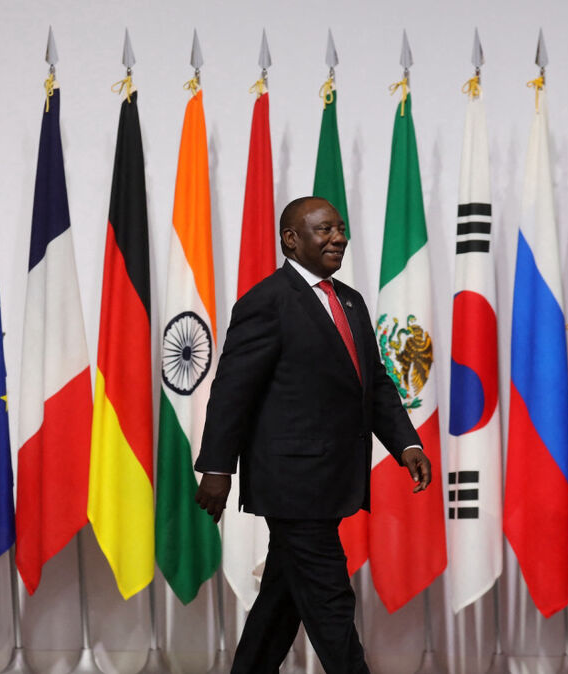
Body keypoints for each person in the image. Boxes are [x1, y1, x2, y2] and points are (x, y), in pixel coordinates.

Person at [194, 196, 431, 673]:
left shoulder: (349, 300)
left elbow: (375, 382)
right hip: (291, 483)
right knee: (330, 601)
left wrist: (407, 443)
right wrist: (218, 468)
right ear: (291, 239)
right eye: (324, 229)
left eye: (340, 228)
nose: (338, 237)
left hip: (332, 479)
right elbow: (231, 391)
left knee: (280, 603)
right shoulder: (266, 302)